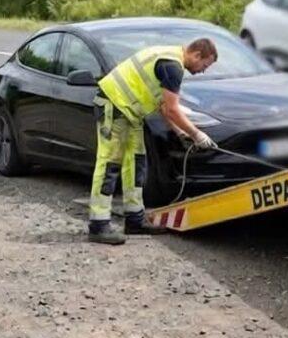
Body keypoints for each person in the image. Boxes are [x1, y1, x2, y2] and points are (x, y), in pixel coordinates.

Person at [87, 38, 219, 244]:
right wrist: (197, 135)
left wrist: (180, 133)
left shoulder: (169, 57)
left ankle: (134, 220)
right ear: (197, 55)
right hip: (114, 105)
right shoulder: (172, 66)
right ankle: (98, 225)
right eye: (205, 65)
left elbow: (164, 106)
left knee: (136, 163)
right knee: (109, 164)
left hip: (130, 112)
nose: (203, 70)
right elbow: (173, 109)